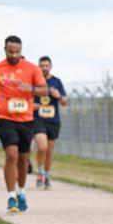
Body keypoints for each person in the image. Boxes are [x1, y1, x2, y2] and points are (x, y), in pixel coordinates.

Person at [0, 35, 48, 213]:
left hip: (26, 119)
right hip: (5, 118)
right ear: (5, 49)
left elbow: (45, 90)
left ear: (21, 50)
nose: (14, 55)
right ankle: (11, 197)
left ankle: (21, 192)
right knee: (11, 154)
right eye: (11, 51)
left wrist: (31, 89)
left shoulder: (32, 68)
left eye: (17, 52)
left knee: (23, 159)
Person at [32, 55, 68, 190]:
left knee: (49, 150)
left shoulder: (57, 82)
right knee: (42, 147)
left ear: (50, 67)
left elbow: (65, 102)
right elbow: (27, 99)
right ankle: (40, 171)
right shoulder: (34, 81)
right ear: (38, 67)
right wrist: (33, 105)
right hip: (38, 119)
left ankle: (47, 175)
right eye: (42, 66)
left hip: (53, 120)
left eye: (46, 66)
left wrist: (59, 96)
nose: (44, 68)